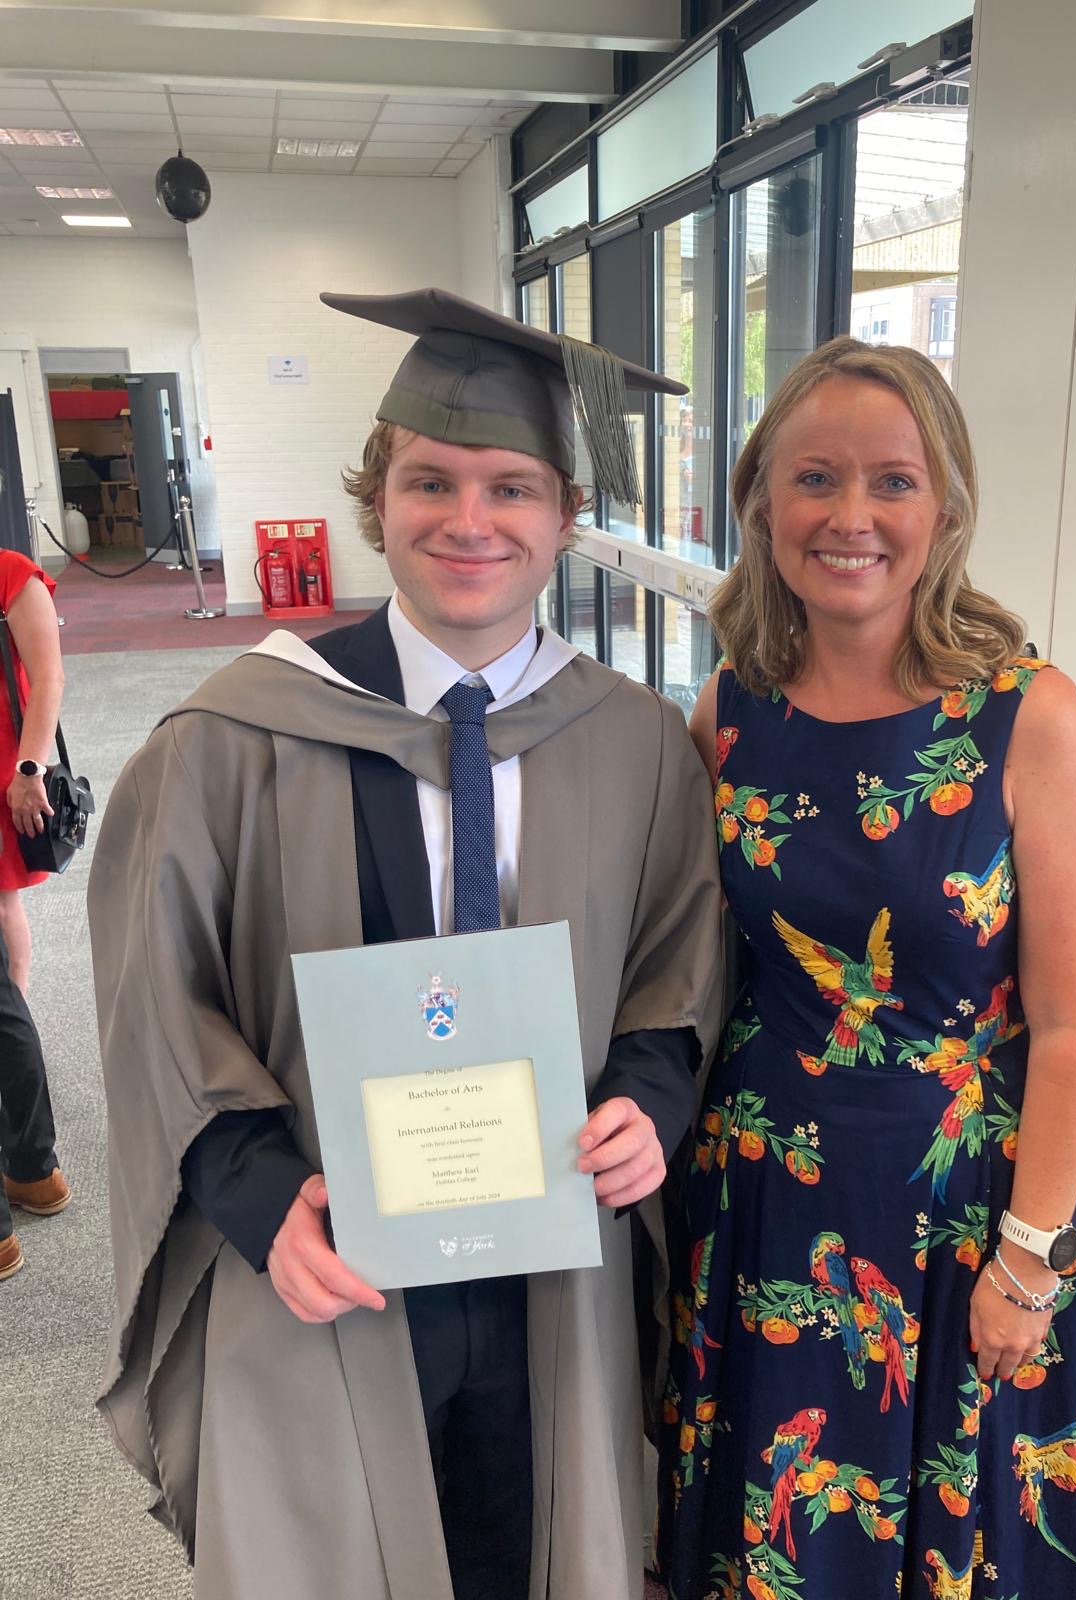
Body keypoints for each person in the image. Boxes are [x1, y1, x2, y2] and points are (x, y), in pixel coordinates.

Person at [89, 289, 723, 1600]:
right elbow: (156, 992)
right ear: (377, 500)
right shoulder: (234, 737)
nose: (469, 520)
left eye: (512, 487)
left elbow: (678, 957)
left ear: (564, 515)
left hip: (553, 1265)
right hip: (328, 1248)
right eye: (431, 480)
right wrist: (255, 1194)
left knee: (535, 1537)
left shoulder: (634, 744)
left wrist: (651, 1099)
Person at [656, 337, 1076, 1599]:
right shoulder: (731, 708)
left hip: (967, 1205)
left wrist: (1029, 1257)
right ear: (763, 500)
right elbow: (694, 955)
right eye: (814, 478)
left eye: (893, 481)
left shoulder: (1026, 715)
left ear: (946, 508)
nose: (850, 516)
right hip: (765, 1188)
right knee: (778, 1530)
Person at [0, 547, 72, 1279]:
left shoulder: (10, 573)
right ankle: (32, 1169)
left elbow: (47, 675)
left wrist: (29, 768)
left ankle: (31, 1167)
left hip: (6, 774)